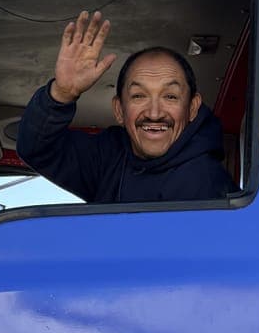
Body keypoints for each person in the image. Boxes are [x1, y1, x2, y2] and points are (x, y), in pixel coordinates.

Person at [16, 10, 231, 203]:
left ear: (192, 108)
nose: (154, 113)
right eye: (139, 96)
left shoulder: (206, 185)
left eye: (170, 97)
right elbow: (37, 150)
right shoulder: (109, 157)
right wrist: (61, 94)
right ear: (119, 110)